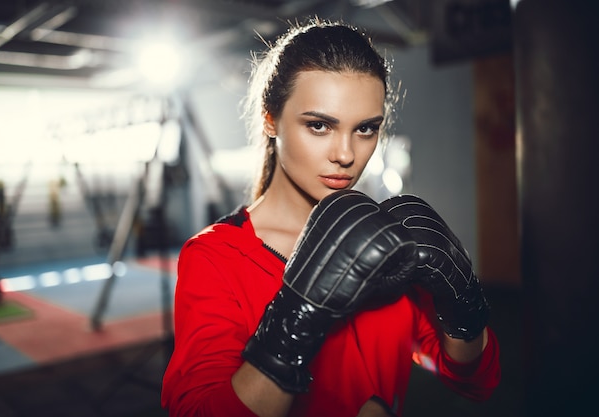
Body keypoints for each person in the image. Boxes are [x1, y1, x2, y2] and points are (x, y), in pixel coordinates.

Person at [161, 18, 500, 417]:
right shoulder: (217, 257)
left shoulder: (387, 241)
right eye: (319, 125)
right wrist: (295, 318)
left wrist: (463, 305)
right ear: (271, 120)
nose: (345, 154)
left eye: (366, 129)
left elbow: (468, 378)